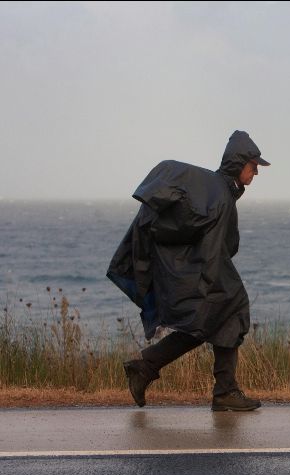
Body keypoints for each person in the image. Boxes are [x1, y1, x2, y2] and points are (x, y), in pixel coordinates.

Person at [106, 130, 270, 411]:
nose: (256, 172)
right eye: (253, 165)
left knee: (214, 323)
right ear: (238, 163)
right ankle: (223, 391)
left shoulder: (219, 190)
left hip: (201, 271)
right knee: (231, 311)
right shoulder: (221, 195)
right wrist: (207, 283)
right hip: (206, 272)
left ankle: (148, 367)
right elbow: (216, 247)